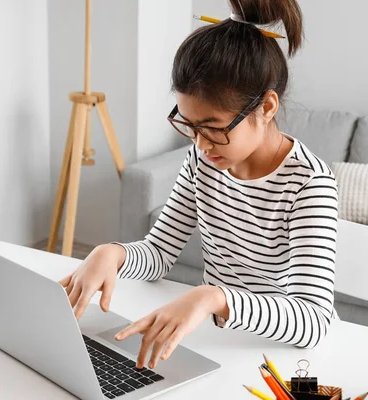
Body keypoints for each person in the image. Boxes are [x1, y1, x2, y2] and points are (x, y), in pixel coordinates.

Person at [60, 0, 338, 370]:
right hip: (215, 341)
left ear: (267, 108)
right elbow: (159, 254)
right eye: (189, 126)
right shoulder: (202, 160)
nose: (200, 145)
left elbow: (312, 321)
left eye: (213, 127)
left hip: (284, 359)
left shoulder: (309, 184)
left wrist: (212, 297)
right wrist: (112, 254)